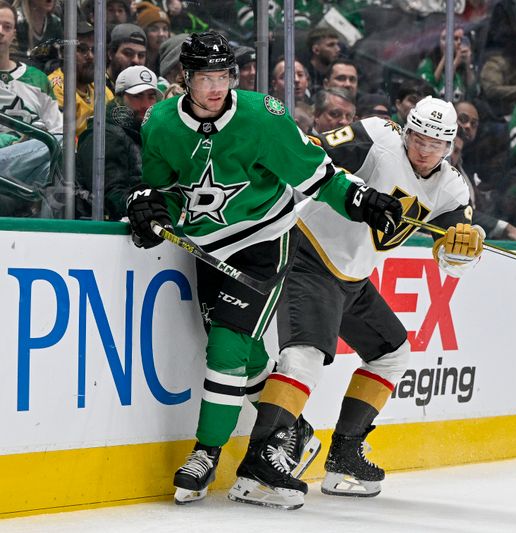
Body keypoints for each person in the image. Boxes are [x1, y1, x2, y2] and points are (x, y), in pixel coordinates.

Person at [124, 30, 402, 506]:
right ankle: (294, 431)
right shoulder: (161, 124)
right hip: (206, 249)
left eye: (224, 76)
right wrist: (146, 210)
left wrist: (362, 201)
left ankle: (206, 453)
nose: (216, 87)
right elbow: (163, 189)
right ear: (184, 78)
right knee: (248, 356)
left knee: (226, 346)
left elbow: (318, 176)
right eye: (206, 77)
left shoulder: (261, 117)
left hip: (264, 244)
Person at [229, 96, 485, 509]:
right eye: (417, 138)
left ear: (449, 147)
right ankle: (259, 463)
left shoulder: (453, 188)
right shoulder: (376, 136)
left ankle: (344, 454)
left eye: (434, 145)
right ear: (406, 129)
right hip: (306, 252)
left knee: (391, 351)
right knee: (304, 357)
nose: (422, 150)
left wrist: (463, 252)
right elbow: (310, 155)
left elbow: (451, 260)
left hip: (353, 276)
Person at [0, 0, 62, 216]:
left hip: (26, 172)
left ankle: (48, 238)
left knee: (59, 160)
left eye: (6, 27)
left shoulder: (38, 80)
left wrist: (31, 141)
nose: (0, 32)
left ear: (14, 33)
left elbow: (58, 130)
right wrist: (17, 141)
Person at [75, 65, 162, 220]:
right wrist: (150, 208)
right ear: (119, 98)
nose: (146, 105)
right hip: (109, 232)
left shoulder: (146, 133)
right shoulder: (105, 135)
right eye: (137, 96)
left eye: (151, 96)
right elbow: (110, 196)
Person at [48, 20, 113, 138]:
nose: (91, 57)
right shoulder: (56, 87)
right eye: (82, 49)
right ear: (64, 53)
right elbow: (63, 140)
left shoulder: (101, 89)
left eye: (94, 50)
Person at [417, 26, 477, 103]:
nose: (459, 42)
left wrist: (468, 65)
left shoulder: (463, 66)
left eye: (461, 40)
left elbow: (473, 91)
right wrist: (452, 60)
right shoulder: (428, 63)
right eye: (455, 39)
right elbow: (429, 86)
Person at [106, 24, 148, 91]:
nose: (136, 60)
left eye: (141, 55)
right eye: (128, 53)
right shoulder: (98, 87)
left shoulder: (146, 91)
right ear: (111, 54)